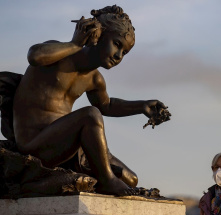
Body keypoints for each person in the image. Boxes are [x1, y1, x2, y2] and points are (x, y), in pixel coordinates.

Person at [8, 5, 170, 196]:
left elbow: (107, 105)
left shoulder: (95, 79)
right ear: (98, 34)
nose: (119, 56)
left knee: (130, 179)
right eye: (117, 44)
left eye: (124, 53)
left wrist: (141, 106)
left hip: (66, 145)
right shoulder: (59, 55)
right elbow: (34, 55)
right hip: (35, 143)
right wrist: (75, 44)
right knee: (90, 115)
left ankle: (103, 179)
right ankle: (106, 180)